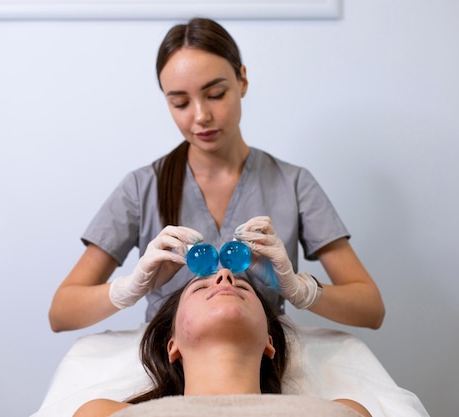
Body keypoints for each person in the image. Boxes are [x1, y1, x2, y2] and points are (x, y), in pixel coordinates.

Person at [49, 17, 385, 332]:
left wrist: (299, 290)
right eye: (180, 103)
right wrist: (133, 287)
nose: (201, 116)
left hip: (260, 364)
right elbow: (61, 312)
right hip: (169, 365)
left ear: (242, 80)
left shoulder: (293, 184)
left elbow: (370, 309)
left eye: (215, 94)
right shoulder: (142, 188)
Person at [73, 268, 372, 417]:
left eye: (243, 286)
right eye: (200, 287)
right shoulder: (100, 413)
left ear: (270, 342)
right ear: (172, 344)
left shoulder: (342, 411)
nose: (225, 276)